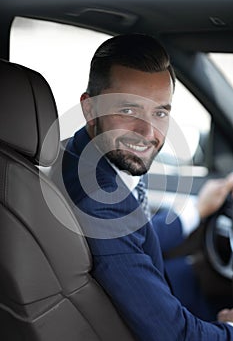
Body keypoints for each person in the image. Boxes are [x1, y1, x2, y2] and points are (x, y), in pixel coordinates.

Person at [59, 34, 233, 340]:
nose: (148, 133)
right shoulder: (100, 204)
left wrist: (197, 209)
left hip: (137, 299)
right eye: (128, 111)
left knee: (199, 273)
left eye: (160, 112)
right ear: (89, 109)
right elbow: (175, 334)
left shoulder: (84, 154)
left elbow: (137, 235)